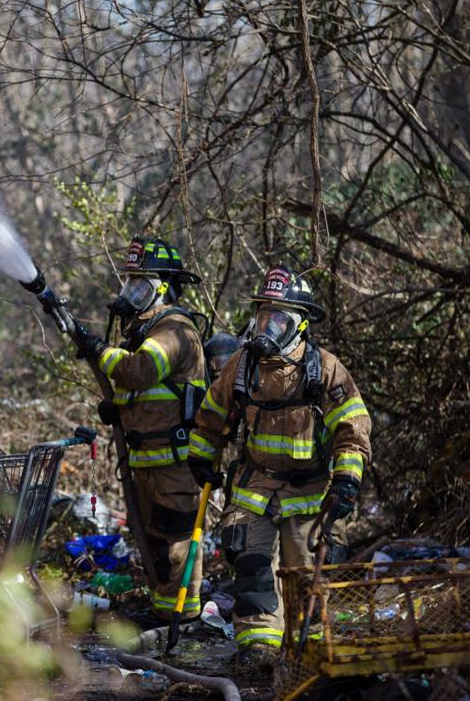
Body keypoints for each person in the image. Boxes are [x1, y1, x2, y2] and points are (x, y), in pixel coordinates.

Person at [185, 265, 371, 670]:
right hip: (256, 485)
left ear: (299, 325)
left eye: (279, 318)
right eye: (264, 316)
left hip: (310, 491)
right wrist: (201, 457)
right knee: (251, 568)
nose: (268, 326)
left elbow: (353, 428)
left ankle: (310, 654)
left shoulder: (325, 368)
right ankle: (259, 649)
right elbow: (212, 415)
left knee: (307, 579)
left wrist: (347, 479)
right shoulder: (242, 366)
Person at [71, 236, 209, 625]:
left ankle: (182, 620)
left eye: (141, 286)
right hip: (147, 459)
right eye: (129, 284)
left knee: (175, 541)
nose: (131, 293)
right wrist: (119, 408)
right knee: (151, 541)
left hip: (175, 462)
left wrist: (100, 351)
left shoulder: (174, 328)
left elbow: (142, 371)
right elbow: (147, 391)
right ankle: (164, 612)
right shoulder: (144, 329)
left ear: (162, 289)